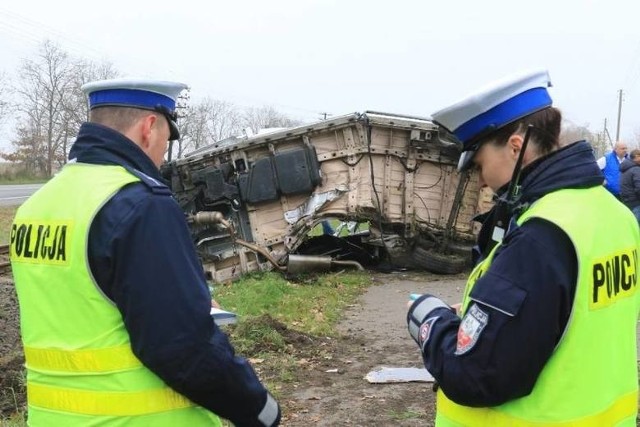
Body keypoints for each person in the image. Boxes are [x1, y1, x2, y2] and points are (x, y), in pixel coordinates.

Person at [9, 79, 281, 426]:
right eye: (167, 141)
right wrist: (258, 408)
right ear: (149, 128)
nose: (163, 155)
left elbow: (80, 306)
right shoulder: (140, 203)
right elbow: (181, 346)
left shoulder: (38, 205)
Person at [406, 69, 640, 426]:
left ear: (516, 146)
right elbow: (574, 313)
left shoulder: (542, 233)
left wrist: (430, 321)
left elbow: (477, 375)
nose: (481, 179)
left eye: (480, 164)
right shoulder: (614, 214)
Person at [620, 148, 640, 223]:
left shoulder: (625, 168)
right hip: (636, 204)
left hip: (626, 202)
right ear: (636, 156)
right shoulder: (636, 169)